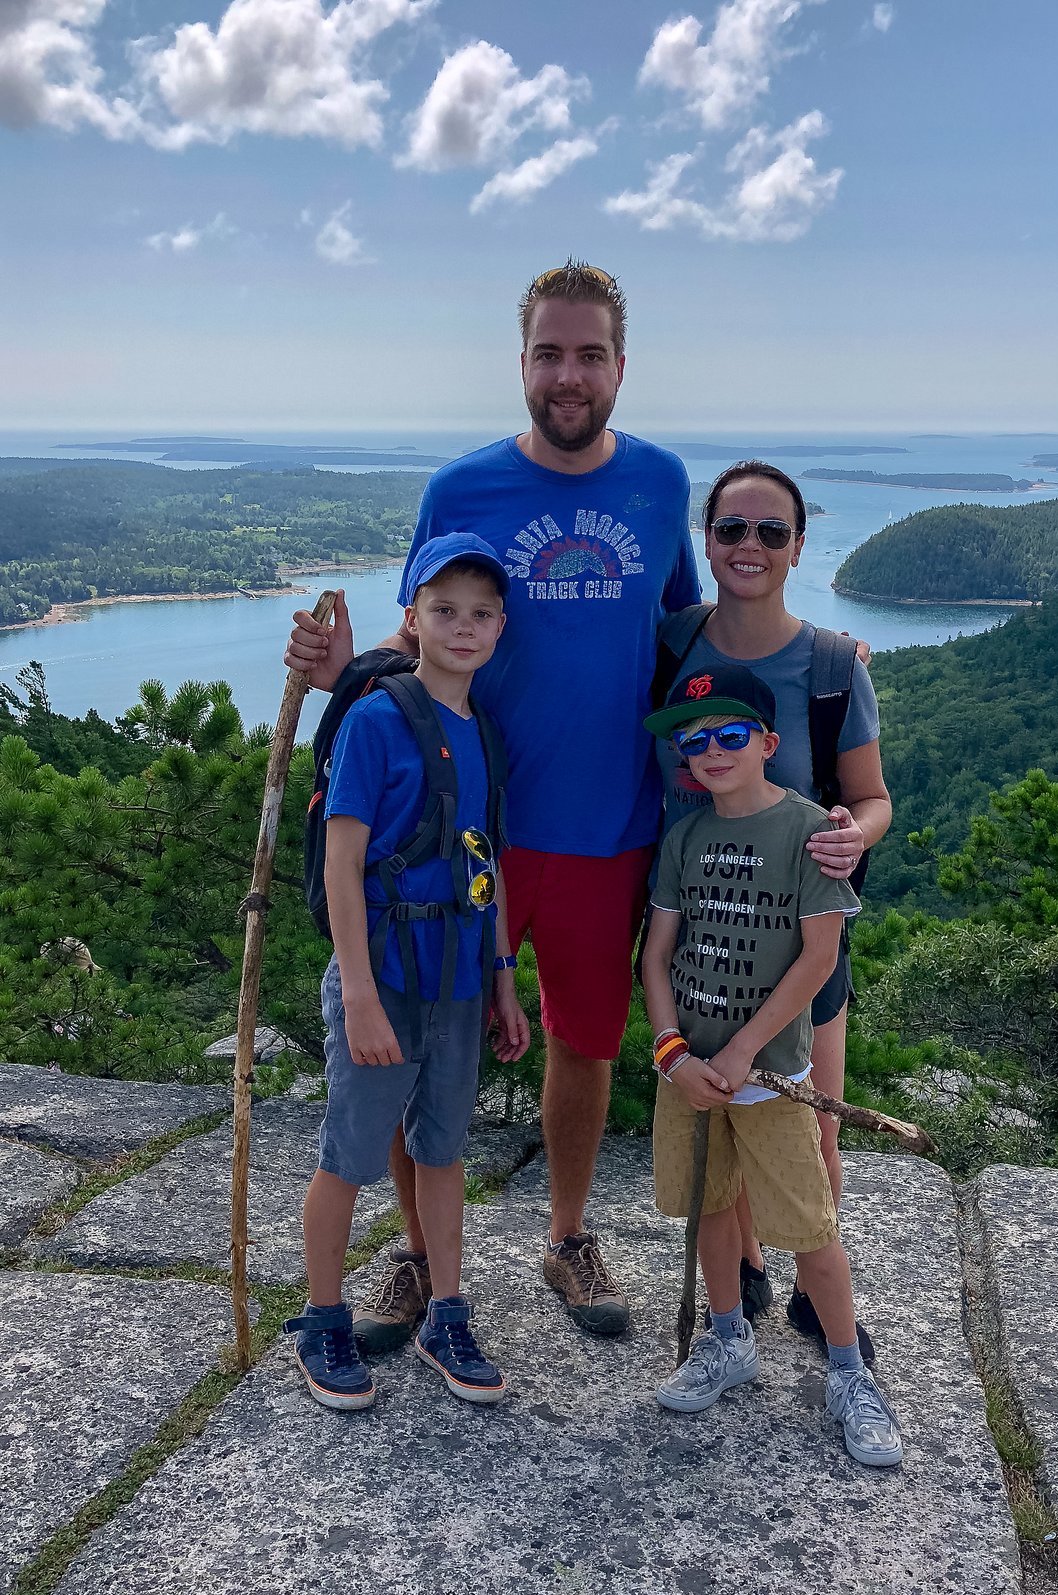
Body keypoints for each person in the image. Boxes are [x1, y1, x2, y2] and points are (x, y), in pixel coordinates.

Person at [285, 263, 866, 1346]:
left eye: (588, 354)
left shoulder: (655, 481)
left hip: (616, 826)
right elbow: (421, 637)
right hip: (465, 831)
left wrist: (810, 659)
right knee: (421, 1033)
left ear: (619, 367)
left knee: (587, 1041)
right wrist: (342, 668)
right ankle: (415, 1259)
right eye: (548, 354)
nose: (567, 375)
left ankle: (565, 1239)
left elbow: (693, 632)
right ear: (520, 365)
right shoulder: (460, 490)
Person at [283, 534, 529, 1411]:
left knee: (445, 1150)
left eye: (479, 614)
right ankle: (322, 1318)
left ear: (500, 627)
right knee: (348, 1153)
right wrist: (355, 994)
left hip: (459, 977)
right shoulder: (375, 720)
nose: (462, 628)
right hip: (382, 975)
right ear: (413, 619)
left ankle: (447, 1313)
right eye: (444, 610)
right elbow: (342, 863)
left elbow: (484, 863)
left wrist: (504, 978)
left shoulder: (482, 733)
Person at [651, 460, 891, 1353]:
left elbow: (872, 796)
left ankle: (821, 1304)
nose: (749, 546)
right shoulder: (672, 642)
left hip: (801, 939)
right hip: (700, 927)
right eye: (730, 529)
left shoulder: (830, 666)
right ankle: (744, 1267)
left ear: (798, 545)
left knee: (808, 1122)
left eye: (771, 532)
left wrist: (853, 835)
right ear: (706, 540)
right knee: (724, 1115)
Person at [640, 663, 903, 1467]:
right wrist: (672, 1051)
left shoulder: (808, 832)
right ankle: (728, 1338)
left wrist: (746, 1048)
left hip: (771, 1076)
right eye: (695, 739)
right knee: (712, 1206)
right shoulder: (684, 837)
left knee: (809, 1225)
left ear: (768, 742)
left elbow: (818, 959)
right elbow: (656, 957)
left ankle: (850, 1371)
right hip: (689, 1073)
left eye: (730, 733)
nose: (711, 750)